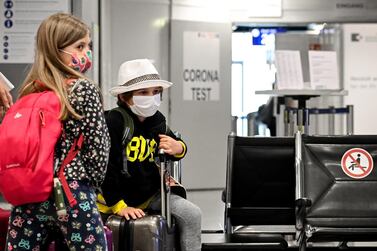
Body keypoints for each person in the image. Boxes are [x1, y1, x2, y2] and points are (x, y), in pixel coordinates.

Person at [5, 13, 110, 250]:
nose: (86, 53)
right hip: (73, 191)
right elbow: (98, 148)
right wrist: (91, 183)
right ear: (57, 49)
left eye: (88, 46)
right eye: (80, 46)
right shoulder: (84, 88)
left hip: (30, 195)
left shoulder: (29, 91)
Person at [100, 59, 202, 251]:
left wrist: (178, 147)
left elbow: (174, 147)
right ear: (124, 96)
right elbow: (107, 167)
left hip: (151, 194)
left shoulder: (157, 120)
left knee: (191, 214)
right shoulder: (114, 121)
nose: (152, 97)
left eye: (156, 92)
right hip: (113, 200)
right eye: (143, 92)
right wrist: (119, 206)